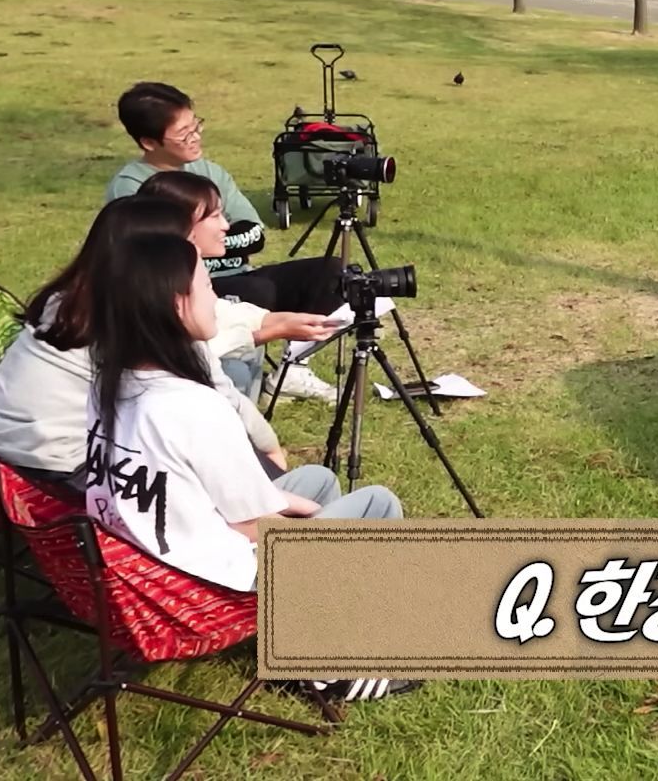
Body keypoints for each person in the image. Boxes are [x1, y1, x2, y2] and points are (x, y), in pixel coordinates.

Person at [82, 233, 419, 703]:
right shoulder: (190, 405)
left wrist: (294, 505)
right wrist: (302, 518)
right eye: (206, 287)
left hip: (143, 566)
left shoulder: (110, 381)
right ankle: (329, 669)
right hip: (199, 583)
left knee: (318, 481)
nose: (215, 300)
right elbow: (248, 525)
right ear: (176, 305)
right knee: (376, 505)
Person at [0, 198, 316, 490]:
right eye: (187, 246)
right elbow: (246, 514)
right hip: (73, 476)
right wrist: (270, 465)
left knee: (314, 491)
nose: (196, 257)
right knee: (322, 505)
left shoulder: (70, 302)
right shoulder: (160, 358)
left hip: (1, 458)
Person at [103, 82, 343, 400]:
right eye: (184, 134)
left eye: (196, 126)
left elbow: (254, 234)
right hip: (188, 289)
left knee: (330, 271)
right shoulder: (132, 187)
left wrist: (208, 244)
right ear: (148, 142)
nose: (195, 137)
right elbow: (158, 261)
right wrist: (212, 250)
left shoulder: (208, 171)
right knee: (257, 290)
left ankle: (293, 369)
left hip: (238, 276)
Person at [137, 171, 341, 401]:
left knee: (329, 270)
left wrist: (281, 320)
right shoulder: (154, 283)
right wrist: (274, 330)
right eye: (214, 216)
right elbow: (190, 350)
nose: (226, 225)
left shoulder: (184, 265)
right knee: (235, 372)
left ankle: (293, 371)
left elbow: (222, 310)